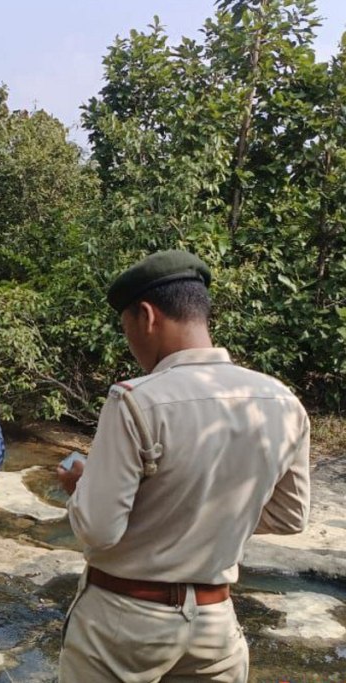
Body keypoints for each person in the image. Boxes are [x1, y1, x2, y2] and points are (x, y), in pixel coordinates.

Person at [55, 250, 310, 682]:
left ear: (147, 316)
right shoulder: (282, 401)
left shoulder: (136, 399)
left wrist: (83, 488)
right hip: (216, 623)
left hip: (123, 621)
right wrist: (208, 514)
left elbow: (99, 529)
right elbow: (289, 516)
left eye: (126, 328)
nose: (130, 342)